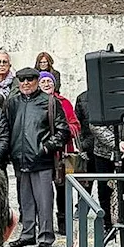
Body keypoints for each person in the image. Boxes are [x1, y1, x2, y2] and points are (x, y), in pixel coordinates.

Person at [5, 68, 69, 247]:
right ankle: (27, 233)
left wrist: (46, 148)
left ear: (36, 80)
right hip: (20, 158)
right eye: (22, 80)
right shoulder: (13, 103)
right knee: (25, 199)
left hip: (42, 159)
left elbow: (63, 130)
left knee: (44, 200)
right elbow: (7, 128)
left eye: (30, 79)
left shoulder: (49, 102)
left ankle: (46, 236)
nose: (25, 83)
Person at [79, 74, 124, 227]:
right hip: (104, 152)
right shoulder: (103, 100)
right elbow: (96, 124)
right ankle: (106, 223)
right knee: (104, 190)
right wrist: (116, 143)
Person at [39, 71, 81, 234]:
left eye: (49, 81)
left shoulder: (64, 102)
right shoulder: (35, 103)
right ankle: (44, 224)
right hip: (43, 152)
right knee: (42, 190)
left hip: (62, 153)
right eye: (43, 82)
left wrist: (60, 130)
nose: (46, 84)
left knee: (63, 189)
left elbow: (75, 124)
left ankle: (64, 222)